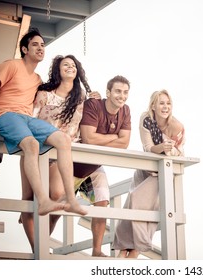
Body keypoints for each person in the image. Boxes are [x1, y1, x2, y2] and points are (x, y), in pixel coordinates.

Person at [0, 28, 87, 218]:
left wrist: (93, 96)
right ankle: (43, 201)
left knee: (63, 140)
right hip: (5, 114)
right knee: (31, 144)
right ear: (25, 49)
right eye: (35, 44)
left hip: (26, 119)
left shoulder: (37, 80)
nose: (40, 48)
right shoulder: (10, 65)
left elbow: (55, 93)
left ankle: (71, 199)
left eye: (43, 45)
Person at [19, 54, 94, 251]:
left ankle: (40, 244)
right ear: (58, 70)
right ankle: (38, 249)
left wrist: (97, 100)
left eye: (73, 65)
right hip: (37, 150)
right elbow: (29, 119)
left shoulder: (81, 98)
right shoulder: (44, 94)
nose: (70, 67)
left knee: (58, 194)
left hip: (61, 155)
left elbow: (89, 123)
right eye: (65, 65)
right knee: (27, 198)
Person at [112, 89, 185, 258]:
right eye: (161, 103)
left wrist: (170, 150)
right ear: (153, 105)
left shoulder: (176, 126)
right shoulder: (146, 119)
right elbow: (148, 147)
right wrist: (162, 148)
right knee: (131, 200)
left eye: (168, 103)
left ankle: (137, 248)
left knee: (141, 200)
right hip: (146, 166)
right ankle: (123, 248)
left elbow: (178, 154)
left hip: (162, 172)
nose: (165, 107)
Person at [76, 75, 131, 257]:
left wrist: (102, 140)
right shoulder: (94, 105)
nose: (121, 96)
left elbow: (124, 144)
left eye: (125, 92)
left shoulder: (126, 111)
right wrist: (114, 137)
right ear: (108, 92)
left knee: (102, 203)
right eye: (117, 91)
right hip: (72, 165)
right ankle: (41, 248)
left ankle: (96, 250)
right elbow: (88, 138)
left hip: (94, 168)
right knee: (58, 208)